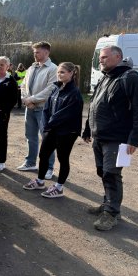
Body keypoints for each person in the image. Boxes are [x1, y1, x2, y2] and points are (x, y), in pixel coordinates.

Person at [82, 45, 138, 231]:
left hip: (118, 138)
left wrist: (134, 140)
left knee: (112, 174)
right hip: (100, 136)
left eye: (104, 57)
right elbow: (95, 105)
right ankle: (108, 204)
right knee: (102, 171)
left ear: (118, 56)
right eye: (100, 58)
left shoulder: (130, 78)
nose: (100, 61)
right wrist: (88, 129)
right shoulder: (106, 77)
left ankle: (112, 213)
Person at [21, 62, 83, 199]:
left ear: (72, 73)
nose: (59, 75)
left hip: (67, 132)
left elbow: (65, 114)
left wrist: (49, 124)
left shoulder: (75, 93)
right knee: (43, 155)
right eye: (58, 72)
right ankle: (40, 181)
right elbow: (47, 108)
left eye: (62, 72)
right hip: (52, 129)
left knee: (63, 158)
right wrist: (46, 124)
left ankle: (59, 187)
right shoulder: (56, 88)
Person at [18, 42, 58, 178]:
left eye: (37, 52)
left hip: (43, 110)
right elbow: (23, 85)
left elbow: (51, 89)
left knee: (47, 139)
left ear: (47, 53)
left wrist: (32, 99)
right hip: (29, 108)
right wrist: (25, 99)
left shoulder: (53, 69)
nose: (34, 54)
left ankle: (49, 167)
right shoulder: (31, 68)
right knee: (30, 137)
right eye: (34, 52)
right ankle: (30, 162)